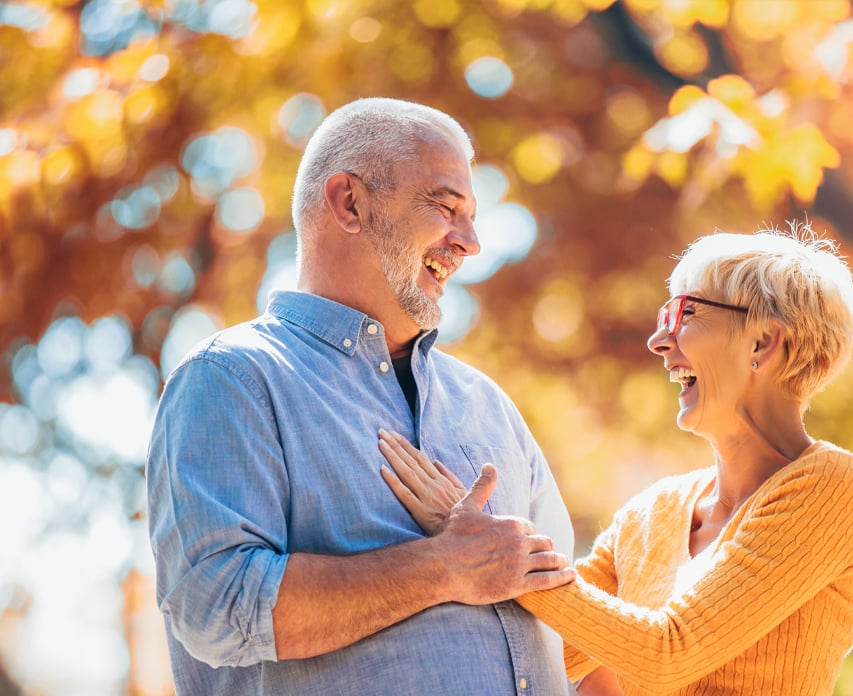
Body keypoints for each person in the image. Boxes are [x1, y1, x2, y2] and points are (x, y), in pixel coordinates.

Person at [145, 97, 578, 695]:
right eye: (445, 206)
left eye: (472, 216)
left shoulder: (488, 405)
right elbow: (218, 608)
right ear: (349, 202)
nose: (470, 242)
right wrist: (442, 567)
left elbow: (577, 641)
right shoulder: (232, 380)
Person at [378, 226, 853, 696]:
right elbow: (546, 646)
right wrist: (445, 560)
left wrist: (498, 551)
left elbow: (668, 652)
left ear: (763, 342)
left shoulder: (831, 486)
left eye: (683, 314)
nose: (658, 341)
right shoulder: (652, 512)